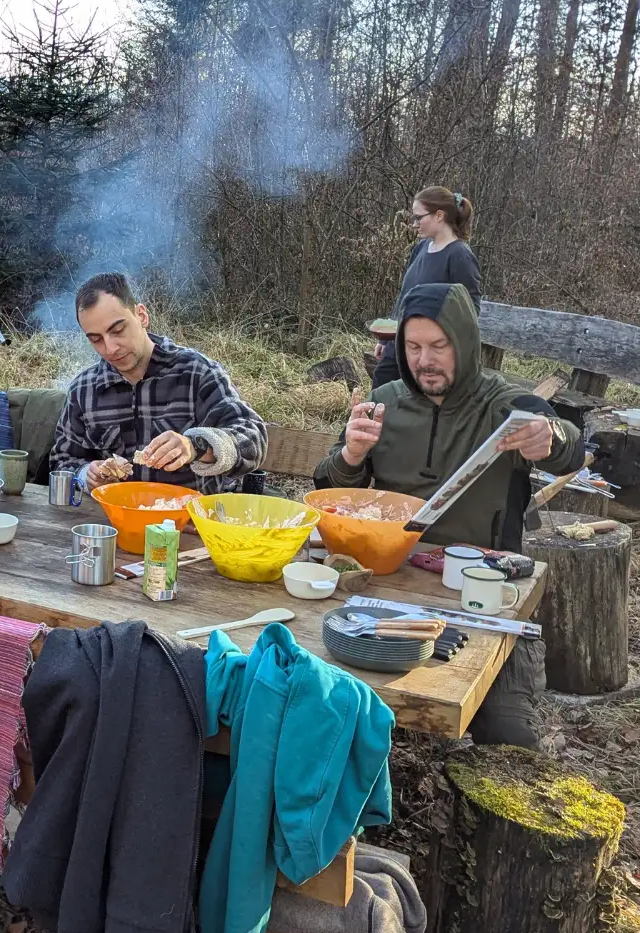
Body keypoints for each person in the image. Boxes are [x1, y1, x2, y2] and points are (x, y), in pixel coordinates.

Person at [316, 282, 582, 748]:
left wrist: (552, 438)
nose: (425, 360)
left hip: (481, 589)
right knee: (316, 692)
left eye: (439, 346)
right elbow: (334, 488)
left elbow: (571, 447)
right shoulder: (387, 400)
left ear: (464, 343)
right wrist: (352, 455)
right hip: (388, 582)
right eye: (414, 347)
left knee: (507, 733)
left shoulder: (507, 405)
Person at [52, 272, 266, 493]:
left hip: (186, 523)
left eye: (118, 330)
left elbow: (253, 438)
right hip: (111, 523)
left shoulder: (196, 372)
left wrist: (196, 446)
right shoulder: (84, 389)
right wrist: (86, 475)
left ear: (141, 316)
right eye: (96, 339)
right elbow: (62, 461)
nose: (110, 348)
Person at [371, 186, 482, 391]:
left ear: (439, 215)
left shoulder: (459, 255)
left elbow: (470, 309)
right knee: (381, 392)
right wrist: (387, 340)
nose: (414, 225)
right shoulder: (421, 248)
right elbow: (406, 296)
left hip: (430, 354)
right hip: (400, 345)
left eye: (418, 218)